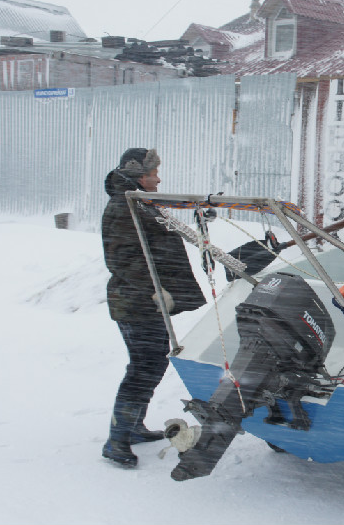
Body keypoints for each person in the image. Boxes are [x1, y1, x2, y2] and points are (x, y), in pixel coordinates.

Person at [101, 148, 206, 467]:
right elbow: (120, 259)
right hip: (136, 302)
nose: (158, 179)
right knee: (143, 367)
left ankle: (132, 428)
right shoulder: (124, 207)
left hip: (145, 302)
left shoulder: (140, 204)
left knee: (151, 365)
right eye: (151, 174)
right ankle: (116, 440)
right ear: (137, 177)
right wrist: (155, 290)